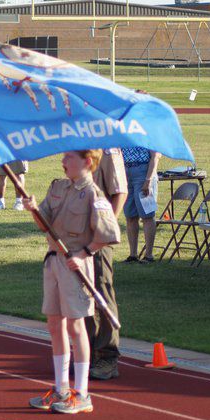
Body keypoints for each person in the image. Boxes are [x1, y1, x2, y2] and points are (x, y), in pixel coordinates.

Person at [23, 150, 120, 414]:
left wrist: (85, 253)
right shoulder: (58, 187)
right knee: (55, 324)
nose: (63, 162)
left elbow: (109, 234)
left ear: (87, 161)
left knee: (77, 325)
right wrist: (33, 209)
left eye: (69, 158)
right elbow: (45, 224)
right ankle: (60, 388)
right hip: (53, 261)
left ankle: (83, 393)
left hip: (76, 264)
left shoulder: (94, 194)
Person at [87, 148, 128, 380]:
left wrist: (105, 228)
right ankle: (90, 353)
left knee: (102, 293)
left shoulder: (108, 150)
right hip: (79, 236)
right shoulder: (79, 145)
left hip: (99, 236)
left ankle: (108, 356)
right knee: (84, 295)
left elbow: (120, 191)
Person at [122, 146, 160, 263]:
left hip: (143, 171)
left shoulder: (148, 131)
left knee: (147, 215)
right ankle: (133, 255)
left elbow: (156, 156)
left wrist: (148, 180)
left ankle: (149, 255)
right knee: (130, 216)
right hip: (125, 172)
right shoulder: (125, 132)